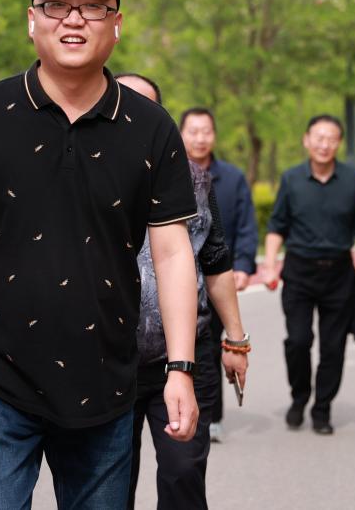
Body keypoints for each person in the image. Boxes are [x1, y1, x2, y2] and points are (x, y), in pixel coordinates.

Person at [0, 0, 202, 509]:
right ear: (32, 20)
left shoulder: (152, 127)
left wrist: (179, 369)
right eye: (57, 5)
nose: (74, 19)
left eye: (93, 6)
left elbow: (173, 253)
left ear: (116, 23)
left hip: (107, 381)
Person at [117, 76, 249, 510]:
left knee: (183, 475)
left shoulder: (194, 181)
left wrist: (236, 340)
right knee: (110, 487)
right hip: (107, 364)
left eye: (143, 107)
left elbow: (216, 261)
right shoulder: (79, 174)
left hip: (185, 357)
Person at [261, 114, 355, 435]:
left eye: (331, 139)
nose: (324, 144)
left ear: (338, 143)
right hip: (299, 272)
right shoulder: (291, 179)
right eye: (319, 138)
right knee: (298, 341)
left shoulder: (353, 180)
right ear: (307, 140)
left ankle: (322, 408)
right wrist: (270, 265)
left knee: (333, 347)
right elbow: (277, 226)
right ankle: (299, 397)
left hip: (339, 274)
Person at [177, 105, 258, 443]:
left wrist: (243, 266)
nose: (200, 138)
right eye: (193, 131)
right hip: (178, 278)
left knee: (210, 346)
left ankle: (211, 415)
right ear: (181, 134)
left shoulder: (233, 178)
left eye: (206, 131)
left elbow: (246, 225)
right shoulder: (168, 173)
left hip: (216, 276)